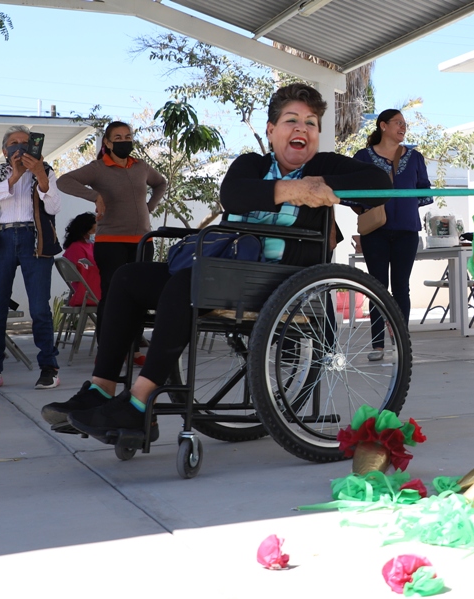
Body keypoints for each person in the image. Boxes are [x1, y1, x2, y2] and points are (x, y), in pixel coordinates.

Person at [40, 83, 391, 441]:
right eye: (291, 120)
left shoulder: (323, 165)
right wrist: (292, 191)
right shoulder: (251, 164)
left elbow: (378, 180)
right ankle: (101, 389)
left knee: (189, 283)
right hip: (228, 269)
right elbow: (233, 195)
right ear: (271, 131)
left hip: (280, 280)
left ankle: (139, 404)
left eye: (310, 122)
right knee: (128, 278)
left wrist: (319, 183)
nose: (301, 128)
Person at [56, 122, 166, 340]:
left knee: (141, 296)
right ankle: (107, 348)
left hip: (143, 241)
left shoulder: (141, 166)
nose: (124, 141)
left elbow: (161, 183)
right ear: (107, 142)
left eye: (128, 136)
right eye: (118, 137)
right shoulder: (98, 168)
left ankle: (133, 347)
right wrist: (94, 196)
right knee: (112, 294)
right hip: (111, 242)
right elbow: (64, 181)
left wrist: (149, 206)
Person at [0, 126, 62, 391]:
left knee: (39, 308)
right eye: (14, 143)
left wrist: (39, 176)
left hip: (34, 241)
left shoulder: (45, 171)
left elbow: (54, 207)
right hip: (1, 241)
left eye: (25, 143)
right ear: (4, 150)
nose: (20, 147)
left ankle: (49, 368)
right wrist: (13, 178)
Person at [353, 109, 433, 361]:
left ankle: (401, 342)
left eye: (405, 124)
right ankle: (377, 345)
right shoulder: (362, 156)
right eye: (398, 123)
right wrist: (367, 209)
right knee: (377, 287)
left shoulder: (415, 157)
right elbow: (351, 190)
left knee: (401, 288)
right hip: (375, 232)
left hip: (406, 231)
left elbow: (424, 192)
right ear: (383, 125)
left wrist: (403, 208)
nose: (403, 127)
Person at [61, 212, 101, 307]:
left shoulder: (91, 245)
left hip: (92, 285)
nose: (96, 234)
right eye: (93, 231)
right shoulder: (76, 248)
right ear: (84, 231)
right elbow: (82, 272)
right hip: (87, 288)